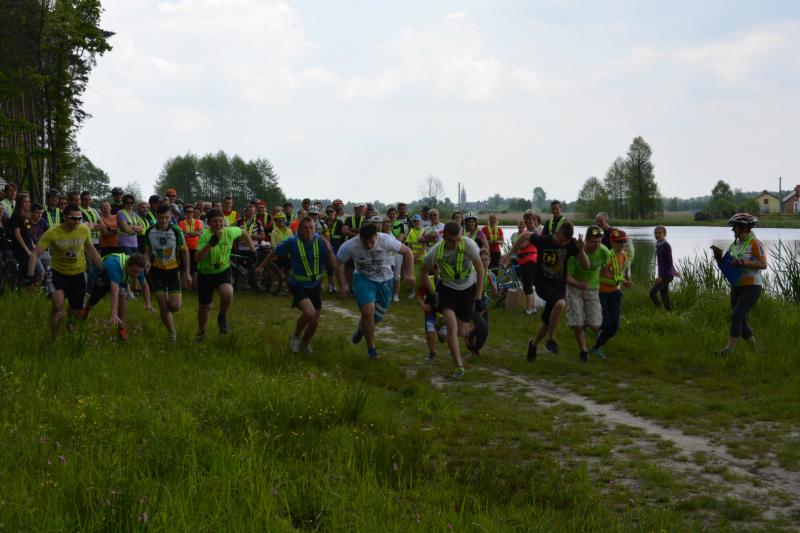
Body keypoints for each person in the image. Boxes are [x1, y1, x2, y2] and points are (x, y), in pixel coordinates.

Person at [257, 217, 347, 353]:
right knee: (310, 314)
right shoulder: (292, 242)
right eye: (305, 228)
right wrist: (262, 266)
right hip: (298, 283)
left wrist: (343, 284)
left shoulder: (322, 242)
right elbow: (274, 253)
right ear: (299, 230)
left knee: (314, 321)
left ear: (315, 229)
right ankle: (296, 335)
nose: (309, 231)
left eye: (312, 228)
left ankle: (304, 343)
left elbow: (335, 264)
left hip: (315, 284)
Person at [510, 222, 588, 361]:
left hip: (558, 287)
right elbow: (525, 235)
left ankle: (533, 345)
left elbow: (586, 265)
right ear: (556, 233)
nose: (562, 243)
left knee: (548, 322)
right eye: (560, 240)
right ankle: (551, 339)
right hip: (542, 284)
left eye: (565, 242)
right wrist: (511, 253)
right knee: (560, 304)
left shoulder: (571, 245)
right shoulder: (544, 240)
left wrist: (581, 250)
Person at [337, 222, 414, 359]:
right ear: (359, 238)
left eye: (371, 241)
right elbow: (337, 263)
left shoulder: (386, 240)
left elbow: (407, 252)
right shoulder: (350, 245)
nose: (368, 245)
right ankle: (371, 350)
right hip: (363, 279)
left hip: (385, 280)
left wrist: (409, 274)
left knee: (376, 317)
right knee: (368, 313)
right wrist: (343, 284)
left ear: (376, 236)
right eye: (365, 242)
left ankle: (362, 328)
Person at [26, 204, 105, 336]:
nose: (77, 221)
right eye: (73, 218)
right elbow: (35, 254)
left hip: (78, 274)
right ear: (64, 217)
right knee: (58, 305)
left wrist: (102, 269)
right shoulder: (52, 233)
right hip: (58, 274)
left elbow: (91, 250)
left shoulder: (84, 230)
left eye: (79, 219)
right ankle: (55, 337)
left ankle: (70, 334)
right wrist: (30, 275)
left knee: (76, 312)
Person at [420, 221, 485, 379]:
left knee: (462, 331)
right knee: (452, 329)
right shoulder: (435, 251)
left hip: (467, 290)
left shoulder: (468, 244)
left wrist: (478, 298)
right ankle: (458, 366)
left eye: (457, 240)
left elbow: (480, 270)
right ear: (444, 237)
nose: (455, 244)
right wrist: (433, 294)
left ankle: (441, 321)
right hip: (447, 291)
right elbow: (423, 273)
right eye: (451, 241)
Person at [711, 213, 767, 355]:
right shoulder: (734, 245)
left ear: (744, 228)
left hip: (752, 286)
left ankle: (728, 350)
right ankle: (756, 350)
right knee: (741, 320)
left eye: (734, 227)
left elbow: (763, 264)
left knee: (736, 315)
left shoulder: (755, 243)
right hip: (737, 286)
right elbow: (728, 267)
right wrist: (719, 259)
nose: (732, 229)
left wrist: (742, 262)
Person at [195, 208, 255, 339]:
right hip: (205, 273)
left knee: (228, 293)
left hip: (223, 270)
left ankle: (222, 317)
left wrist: (253, 251)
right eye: (214, 221)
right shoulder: (205, 235)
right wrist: (209, 245)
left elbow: (244, 232)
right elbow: (197, 258)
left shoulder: (229, 231)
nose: (218, 224)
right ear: (209, 223)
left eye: (220, 221)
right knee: (205, 307)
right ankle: (201, 332)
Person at [145, 205, 192, 341]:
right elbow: (147, 252)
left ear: (171, 216)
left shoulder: (176, 231)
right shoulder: (150, 231)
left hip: (173, 270)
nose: (164, 220)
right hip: (157, 271)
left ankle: (169, 315)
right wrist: (147, 262)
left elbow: (185, 251)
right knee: (163, 305)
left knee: (175, 307)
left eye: (167, 217)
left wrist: (187, 272)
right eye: (161, 217)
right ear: (156, 216)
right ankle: (172, 333)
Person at [565, 225, 611, 363]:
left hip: (592, 288)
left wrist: (603, 277)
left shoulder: (604, 252)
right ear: (586, 239)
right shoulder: (574, 253)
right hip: (575, 288)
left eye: (599, 241)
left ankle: (582, 321)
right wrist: (579, 285)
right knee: (578, 325)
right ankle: (583, 351)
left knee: (595, 324)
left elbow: (604, 269)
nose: (597, 245)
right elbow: (566, 277)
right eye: (593, 241)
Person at [84, 252, 153, 341]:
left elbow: (145, 286)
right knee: (94, 299)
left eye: (139, 272)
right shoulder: (115, 266)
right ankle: (86, 309)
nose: (136, 275)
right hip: (103, 278)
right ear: (127, 266)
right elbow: (114, 294)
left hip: (121, 278)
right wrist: (114, 314)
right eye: (134, 271)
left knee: (123, 295)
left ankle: (121, 328)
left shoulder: (138, 267)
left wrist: (148, 304)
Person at [592, 229, 632, 359]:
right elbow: (595, 272)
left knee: (614, 327)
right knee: (606, 324)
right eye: (619, 242)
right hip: (601, 294)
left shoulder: (624, 256)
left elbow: (618, 274)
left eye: (624, 242)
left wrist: (625, 281)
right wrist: (603, 272)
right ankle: (590, 324)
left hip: (615, 294)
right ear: (612, 243)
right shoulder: (606, 256)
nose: (622, 245)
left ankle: (596, 347)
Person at [465, 248, 498, 357]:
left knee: (485, 331)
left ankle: (475, 350)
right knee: (482, 326)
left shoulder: (491, 275)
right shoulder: (474, 272)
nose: (484, 262)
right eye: (482, 260)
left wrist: (491, 282)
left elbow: (495, 293)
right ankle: (470, 335)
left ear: (490, 261)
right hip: (473, 303)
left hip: (484, 305)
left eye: (486, 260)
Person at [9, 193, 45, 283]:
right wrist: (27, 250)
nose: (28, 204)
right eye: (25, 202)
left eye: (29, 201)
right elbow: (18, 235)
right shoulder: (16, 216)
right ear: (20, 203)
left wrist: (33, 246)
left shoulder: (25, 217)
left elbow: (28, 234)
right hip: (21, 249)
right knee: (32, 272)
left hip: (29, 247)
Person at [416, 271, 447, 362]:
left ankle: (439, 327)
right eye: (438, 269)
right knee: (430, 334)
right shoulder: (427, 280)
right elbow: (419, 297)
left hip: (444, 314)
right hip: (430, 312)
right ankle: (432, 353)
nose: (440, 272)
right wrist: (424, 307)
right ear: (434, 269)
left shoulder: (450, 282)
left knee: (443, 338)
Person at [650, 225, 676, 311]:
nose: (657, 235)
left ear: (664, 234)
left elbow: (669, 261)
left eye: (659, 233)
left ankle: (659, 310)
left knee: (652, 293)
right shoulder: (658, 245)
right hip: (665, 273)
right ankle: (669, 313)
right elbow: (666, 261)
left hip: (666, 275)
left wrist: (661, 276)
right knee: (664, 295)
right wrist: (674, 270)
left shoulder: (666, 245)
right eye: (656, 233)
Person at [179, 204, 203, 288]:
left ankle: (195, 285)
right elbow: (181, 234)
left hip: (195, 247)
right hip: (184, 248)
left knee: (195, 267)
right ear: (185, 213)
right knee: (184, 267)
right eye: (188, 212)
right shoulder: (181, 223)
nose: (190, 213)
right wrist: (193, 233)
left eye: (192, 211)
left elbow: (199, 233)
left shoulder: (197, 221)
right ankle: (186, 286)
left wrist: (187, 233)